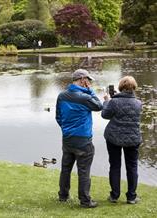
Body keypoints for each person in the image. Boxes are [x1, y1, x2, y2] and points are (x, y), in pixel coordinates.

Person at [55, 69, 103, 208]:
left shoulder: (62, 96)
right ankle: (85, 201)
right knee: (84, 171)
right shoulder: (85, 97)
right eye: (88, 80)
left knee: (66, 168)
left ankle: (63, 196)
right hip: (83, 139)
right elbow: (99, 106)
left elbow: (58, 117)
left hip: (68, 138)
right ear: (82, 79)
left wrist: (66, 129)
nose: (89, 83)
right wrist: (90, 91)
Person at [101, 76, 142, 204]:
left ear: (121, 87)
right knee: (132, 167)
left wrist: (107, 101)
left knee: (115, 166)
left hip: (114, 137)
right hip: (133, 139)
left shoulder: (114, 102)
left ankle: (114, 196)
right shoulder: (138, 103)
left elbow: (104, 115)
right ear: (133, 87)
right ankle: (131, 197)